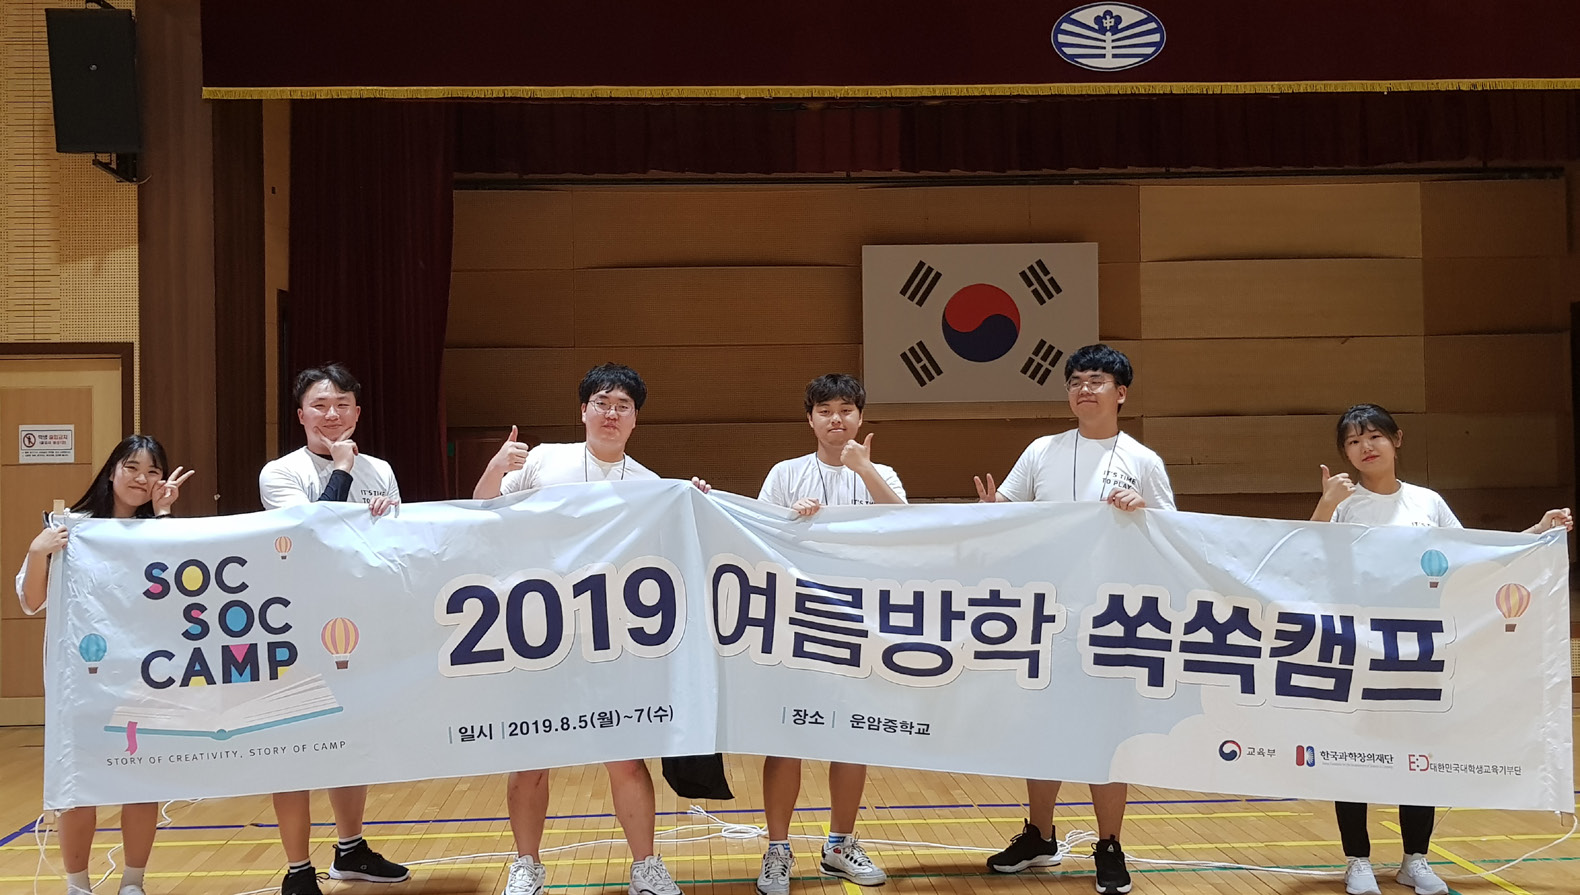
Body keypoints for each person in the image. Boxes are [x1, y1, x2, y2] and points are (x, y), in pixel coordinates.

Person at [1310, 403, 1571, 895]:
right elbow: (1303, 558)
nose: (1365, 447)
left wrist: (1537, 533)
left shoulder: (1426, 502)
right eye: (1353, 442)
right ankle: (1357, 861)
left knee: (1419, 754)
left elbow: (1471, 553)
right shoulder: (1343, 504)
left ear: (1397, 440)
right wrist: (1326, 505)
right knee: (1353, 755)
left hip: (1420, 647)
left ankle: (1415, 859)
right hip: (1360, 646)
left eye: (1374, 436)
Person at [473, 363, 689, 895]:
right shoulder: (545, 459)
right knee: (531, 758)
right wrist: (496, 467)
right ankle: (527, 865)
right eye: (602, 403)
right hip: (539, 631)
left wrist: (695, 499)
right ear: (583, 411)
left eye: (623, 406)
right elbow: (482, 509)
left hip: (610, 637)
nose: (611, 414)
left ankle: (646, 866)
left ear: (635, 419)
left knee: (626, 761)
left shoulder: (650, 486)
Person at [972, 343, 1172, 895]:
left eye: (1097, 380)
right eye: (1076, 381)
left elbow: (1174, 536)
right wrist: (992, 512)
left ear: (1120, 393)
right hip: (1047, 614)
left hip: (1112, 618)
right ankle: (1040, 836)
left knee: (1106, 735)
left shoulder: (1143, 460)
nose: (1084, 389)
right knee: (1043, 728)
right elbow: (1009, 513)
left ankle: (1109, 844)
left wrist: (1145, 512)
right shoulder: (1042, 451)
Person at [16, 434, 194, 895]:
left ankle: (133, 882)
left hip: (144, 677)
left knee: (141, 781)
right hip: (80, 684)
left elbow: (178, 591)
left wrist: (164, 515)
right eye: (132, 467)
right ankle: (78, 885)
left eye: (153, 471)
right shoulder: (71, 529)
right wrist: (38, 552)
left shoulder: (157, 529)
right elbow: (31, 601)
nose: (141, 479)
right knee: (78, 784)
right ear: (111, 470)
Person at [753, 373, 905, 895]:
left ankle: (839, 845)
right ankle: (777, 849)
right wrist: (790, 521)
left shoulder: (880, 471)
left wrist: (865, 470)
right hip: (796, 622)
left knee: (851, 734)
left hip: (860, 624)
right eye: (825, 410)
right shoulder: (785, 473)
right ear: (810, 419)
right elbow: (757, 538)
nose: (836, 419)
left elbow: (908, 529)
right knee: (786, 737)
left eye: (845, 409)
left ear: (860, 417)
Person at [259, 364, 406, 895]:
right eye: (320, 405)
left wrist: (384, 522)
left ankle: (351, 849)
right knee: (293, 746)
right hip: (295, 628)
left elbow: (394, 546)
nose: (331, 414)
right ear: (300, 415)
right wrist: (342, 469)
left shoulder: (381, 470)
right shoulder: (280, 473)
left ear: (357, 412)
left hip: (358, 620)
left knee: (351, 739)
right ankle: (298, 870)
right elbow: (313, 535)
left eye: (342, 404)